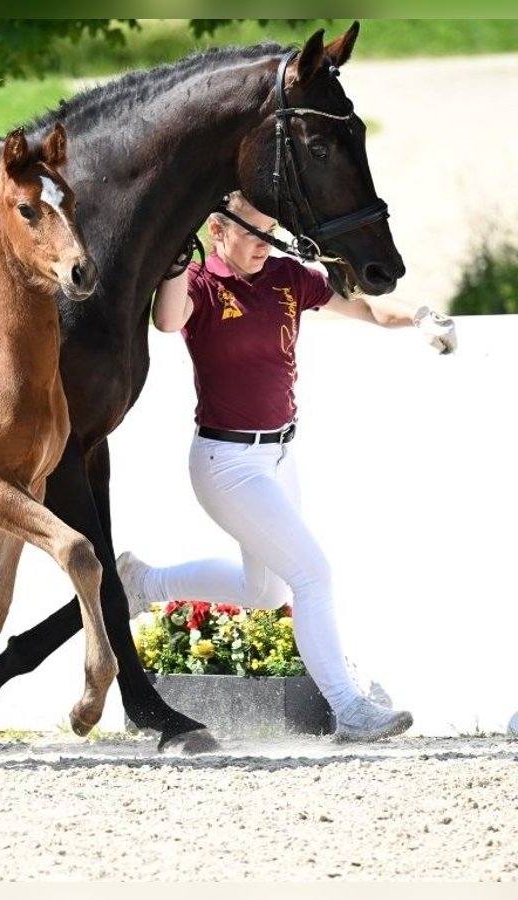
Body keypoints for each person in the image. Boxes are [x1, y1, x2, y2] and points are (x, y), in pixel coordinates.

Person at [122, 191, 457, 743]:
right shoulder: (202, 284)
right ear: (216, 230)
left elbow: (365, 306)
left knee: (266, 592)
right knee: (313, 574)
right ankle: (348, 709)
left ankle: (143, 582)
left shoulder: (285, 276)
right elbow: (166, 319)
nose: (264, 243)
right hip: (226, 462)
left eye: (269, 231)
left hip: (279, 455)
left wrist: (419, 315)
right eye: (252, 233)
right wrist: (177, 258)